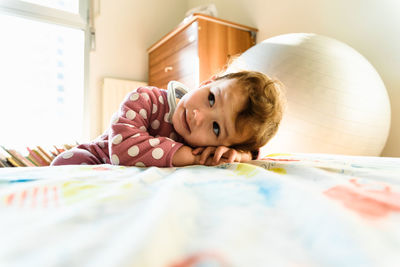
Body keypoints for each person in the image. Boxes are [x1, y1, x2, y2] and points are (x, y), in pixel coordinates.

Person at [51, 71, 284, 167]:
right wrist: (188, 156)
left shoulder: (210, 146)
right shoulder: (146, 99)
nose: (198, 115)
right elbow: (122, 149)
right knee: (65, 163)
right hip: (98, 157)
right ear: (206, 83)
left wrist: (239, 154)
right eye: (211, 99)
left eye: (216, 127)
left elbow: (254, 151)